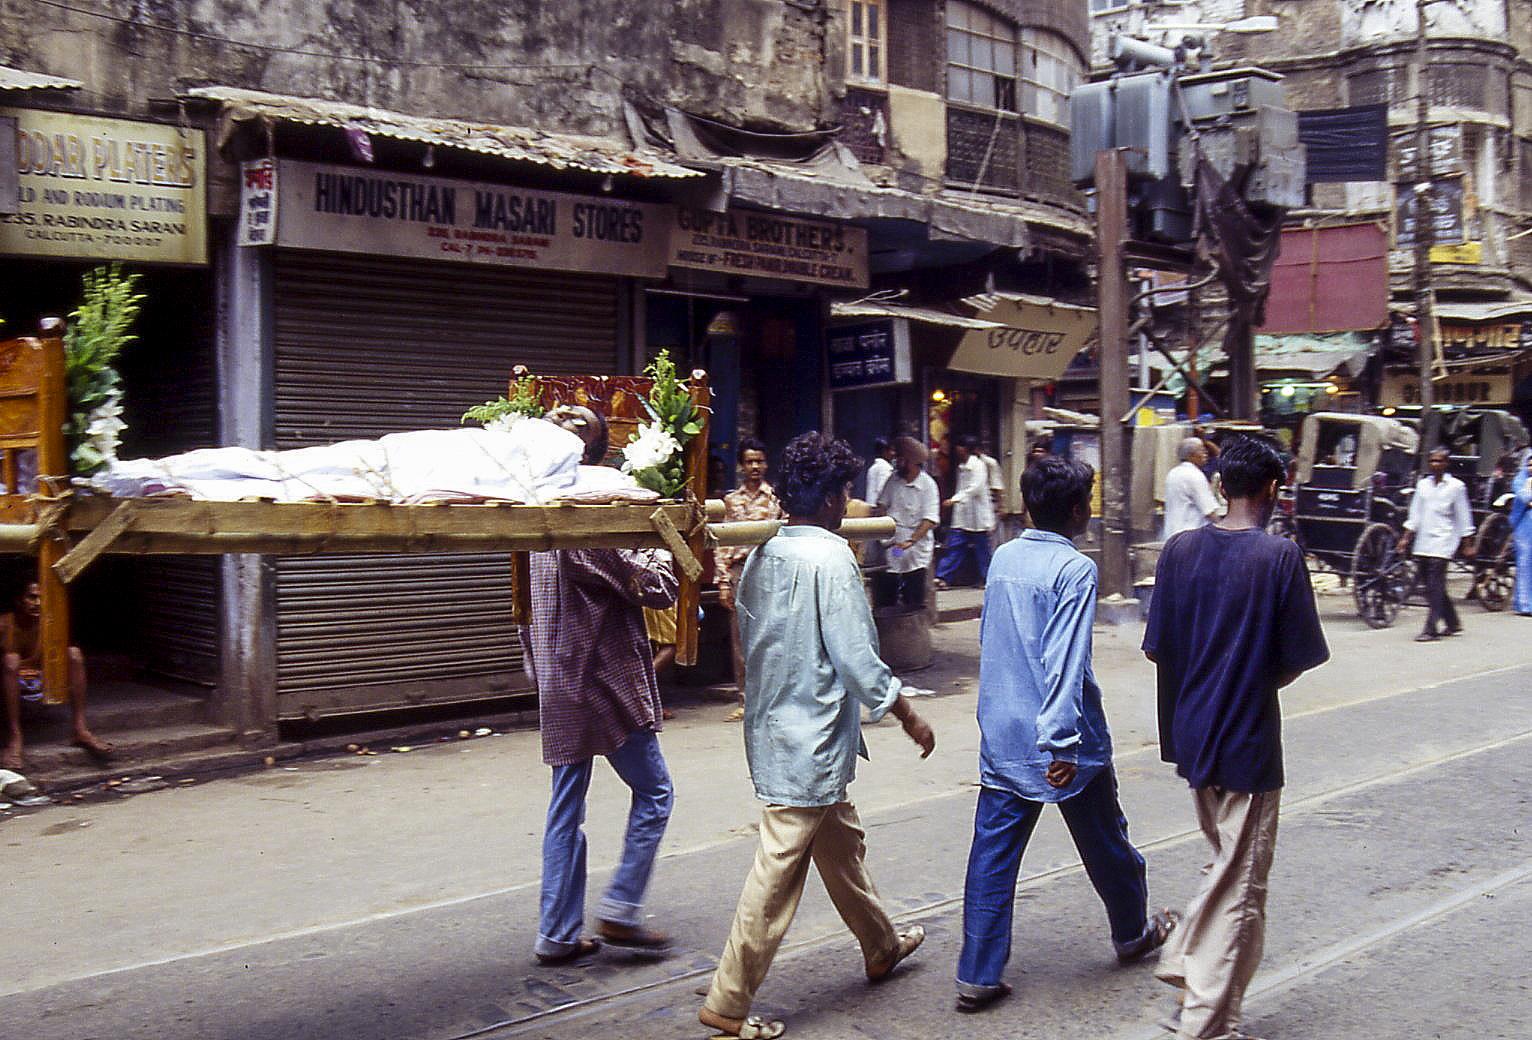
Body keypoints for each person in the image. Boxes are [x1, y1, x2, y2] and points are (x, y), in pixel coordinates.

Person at [699, 432, 935, 1040]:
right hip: (810, 734)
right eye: (847, 493)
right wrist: (906, 711)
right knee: (779, 867)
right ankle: (727, 1000)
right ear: (833, 499)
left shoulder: (762, 556)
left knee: (840, 842)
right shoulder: (832, 560)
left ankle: (880, 944)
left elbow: (755, 645)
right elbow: (857, 659)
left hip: (776, 724)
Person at [956, 455, 1177, 1013]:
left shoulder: (1003, 557)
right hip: (1065, 739)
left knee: (992, 856)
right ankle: (1132, 934)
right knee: (1107, 843)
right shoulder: (1074, 569)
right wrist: (1061, 742)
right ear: (1079, 510)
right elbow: (1065, 658)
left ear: (1028, 504)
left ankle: (977, 974)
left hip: (1003, 732)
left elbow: (996, 643)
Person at [1143, 436, 1330, 1040]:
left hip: (1193, 733)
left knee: (1227, 869)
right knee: (1241, 883)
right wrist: (1248, 681)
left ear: (1220, 486)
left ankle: (1197, 981)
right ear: (1272, 490)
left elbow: (1159, 650)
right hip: (1247, 738)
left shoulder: (1177, 551)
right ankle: (1204, 1020)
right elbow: (1296, 658)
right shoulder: (1278, 557)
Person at [526, 404, 678, 964]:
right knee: (655, 792)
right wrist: (664, 541)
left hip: (561, 681)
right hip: (600, 681)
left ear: (590, 451)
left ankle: (556, 933)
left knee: (566, 808)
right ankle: (620, 909)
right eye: (561, 417)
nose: (567, 420)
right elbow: (654, 586)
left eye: (578, 420)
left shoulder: (534, 510)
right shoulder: (586, 517)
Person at [1, 580, 113, 771]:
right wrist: (16, 668)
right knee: (11, 660)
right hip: (7, 687)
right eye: (32, 597)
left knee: (73, 654)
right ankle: (15, 737)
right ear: (19, 600)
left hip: (36, 685)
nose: (38, 603)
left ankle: (80, 729)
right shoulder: (4, 624)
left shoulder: (49, 624)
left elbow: (53, 657)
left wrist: (39, 673)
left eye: (42, 598)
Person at [715, 437, 783, 721]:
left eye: (759, 461)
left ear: (766, 464)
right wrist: (722, 581)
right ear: (742, 466)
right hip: (739, 571)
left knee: (773, 634)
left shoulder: (776, 498)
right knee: (741, 639)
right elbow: (721, 541)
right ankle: (745, 700)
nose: (755, 466)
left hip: (769, 570)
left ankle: (774, 699)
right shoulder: (730, 501)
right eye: (749, 461)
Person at [1397, 447, 1475, 642]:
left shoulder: (1456, 487)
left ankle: (1431, 629)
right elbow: (1415, 514)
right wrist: (1406, 538)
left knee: (1434, 585)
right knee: (1432, 585)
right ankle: (1453, 622)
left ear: (1446, 463)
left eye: (1439, 461)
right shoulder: (1423, 486)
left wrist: (1467, 544)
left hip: (1443, 541)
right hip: (1423, 541)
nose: (1435, 465)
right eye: (1432, 461)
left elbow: (1463, 517)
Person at [875, 436, 940, 608]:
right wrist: (881, 525)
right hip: (893, 543)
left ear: (911, 462)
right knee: (889, 583)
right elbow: (882, 504)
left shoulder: (928, 485)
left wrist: (911, 541)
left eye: (901, 459)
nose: (897, 462)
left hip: (915, 546)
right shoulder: (893, 480)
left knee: (913, 590)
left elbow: (929, 520)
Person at [936, 435, 995, 588]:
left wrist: (954, 499)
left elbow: (975, 488)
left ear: (966, 449)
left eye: (960, 447)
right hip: (962, 517)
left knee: (983, 551)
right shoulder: (961, 467)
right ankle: (942, 577)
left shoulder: (978, 466)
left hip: (977, 517)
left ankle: (987, 578)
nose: (957, 450)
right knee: (954, 547)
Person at [1162, 436, 1220, 540]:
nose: (1206, 454)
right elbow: (1209, 511)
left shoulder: (1173, 473)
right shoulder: (1195, 475)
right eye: (1201, 451)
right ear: (1191, 455)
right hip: (1190, 536)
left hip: (1171, 534)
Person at [1513, 454, 1532, 617]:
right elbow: (1525, 497)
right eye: (1530, 465)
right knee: (1525, 563)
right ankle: (1525, 604)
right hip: (1525, 525)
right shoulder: (1521, 480)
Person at [865, 436, 895, 506]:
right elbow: (883, 491)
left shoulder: (874, 467)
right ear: (884, 451)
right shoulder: (884, 468)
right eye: (891, 450)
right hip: (879, 510)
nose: (893, 453)